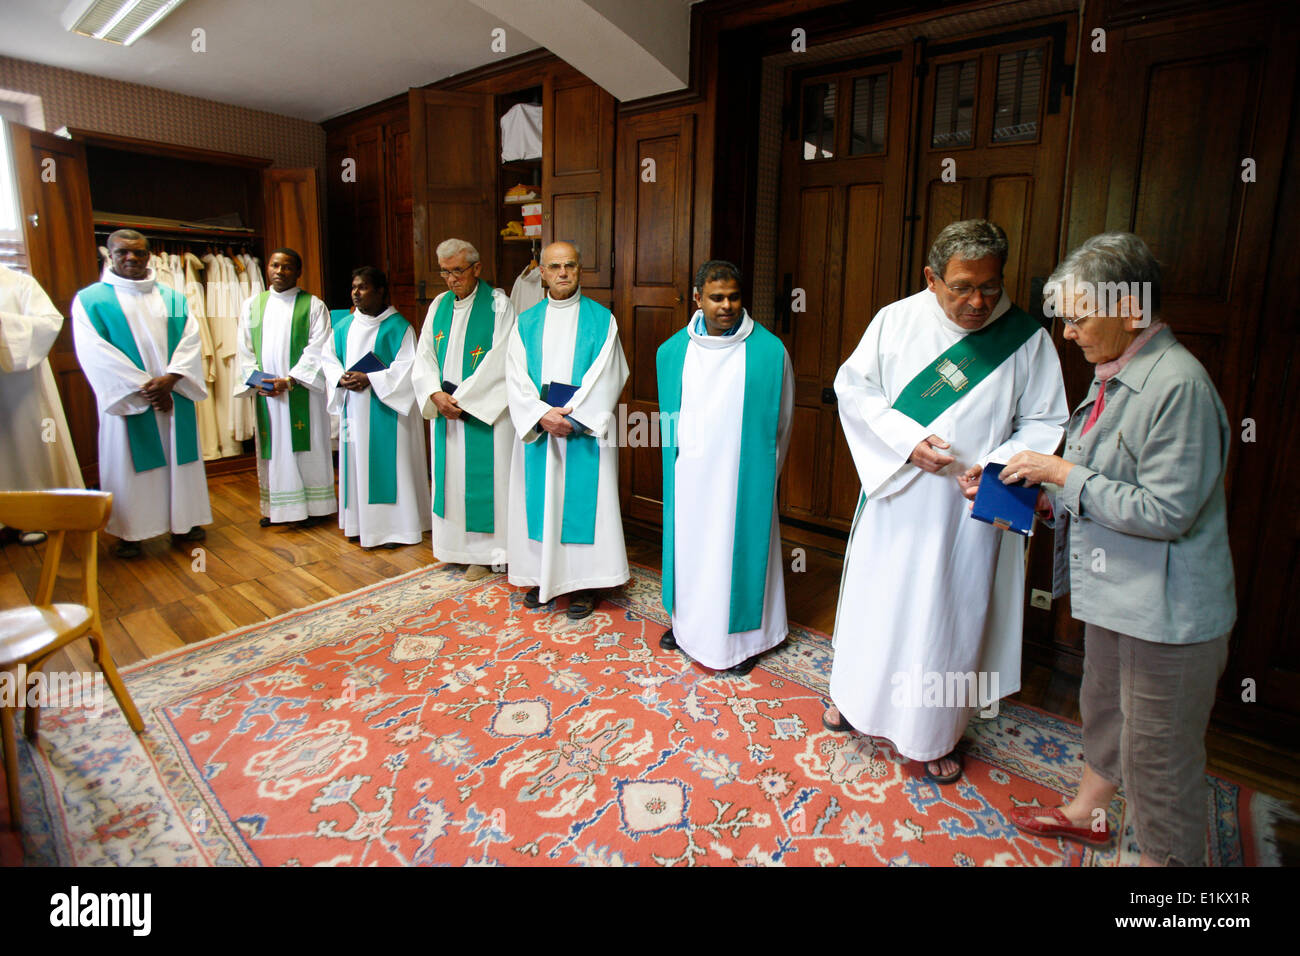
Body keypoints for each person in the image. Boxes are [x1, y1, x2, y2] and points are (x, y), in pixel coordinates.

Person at [1002, 233, 1235, 866]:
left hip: (1167, 615)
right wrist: (1033, 498)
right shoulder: (1113, 376)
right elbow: (1104, 484)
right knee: (1103, 711)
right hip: (1116, 595)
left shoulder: (1178, 386)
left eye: (1080, 316)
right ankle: (1089, 814)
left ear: (1131, 310)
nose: (1069, 331)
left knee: (1157, 758)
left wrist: (1058, 476)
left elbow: (1167, 511)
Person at [825, 219, 1068, 784]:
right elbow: (854, 390)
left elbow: (1046, 418)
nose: (979, 301)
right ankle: (857, 701)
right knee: (878, 604)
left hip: (969, 509)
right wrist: (906, 443)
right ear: (931, 278)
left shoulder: (1027, 337)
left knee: (948, 617)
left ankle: (935, 730)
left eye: (990, 285)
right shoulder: (894, 321)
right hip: (899, 498)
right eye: (961, 286)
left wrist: (1001, 465)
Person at [656, 260, 794, 674]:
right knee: (691, 550)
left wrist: (760, 476)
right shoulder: (671, 351)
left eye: (734, 296)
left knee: (737, 553)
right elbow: (667, 424)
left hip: (741, 479)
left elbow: (782, 423)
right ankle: (685, 627)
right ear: (698, 299)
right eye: (716, 297)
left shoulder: (769, 352)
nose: (727, 305)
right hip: (691, 475)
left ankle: (744, 641)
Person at [505, 240, 630, 619]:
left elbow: (609, 372)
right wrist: (541, 415)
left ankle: (584, 585)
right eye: (555, 267)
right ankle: (541, 577)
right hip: (541, 431)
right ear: (541, 272)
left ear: (579, 270)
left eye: (570, 266)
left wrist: (574, 417)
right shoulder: (525, 322)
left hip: (582, 432)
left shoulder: (601, 319)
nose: (563, 273)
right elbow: (514, 376)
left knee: (581, 506)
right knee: (541, 503)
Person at [71, 229, 212, 558]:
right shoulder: (90, 300)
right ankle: (131, 531)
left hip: (174, 394)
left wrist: (172, 379)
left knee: (181, 458)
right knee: (127, 464)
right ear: (110, 255)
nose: (131, 258)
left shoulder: (173, 298)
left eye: (138, 252)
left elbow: (191, 341)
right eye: (122, 253)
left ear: (149, 256)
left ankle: (186, 521)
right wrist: (147, 387)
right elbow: (95, 353)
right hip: (130, 400)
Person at [412, 239, 517, 579]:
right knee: (450, 480)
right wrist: (433, 394)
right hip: (445, 409)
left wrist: (465, 400)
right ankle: (453, 547)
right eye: (444, 272)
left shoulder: (499, 306)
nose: (451, 279)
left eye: (457, 271)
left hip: (481, 413)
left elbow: (502, 358)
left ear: (477, 268)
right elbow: (424, 354)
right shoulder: (439, 305)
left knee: (485, 481)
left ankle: (487, 554)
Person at [322, 266, 430, 549]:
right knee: (357, 464)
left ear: (381, 290)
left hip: (387, 411)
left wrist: (370, 378)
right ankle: (359, 524)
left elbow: (409, 369)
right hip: (353, 409)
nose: (356, 293)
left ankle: (395, 528)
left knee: (390, 465)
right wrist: (340, 377)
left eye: (363, 287)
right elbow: (328, 359)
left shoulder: (398, 327)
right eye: (354, 287)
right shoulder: (343, 326)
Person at [234, 247, 336, 527]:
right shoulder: (252, 306)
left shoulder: (313, 305)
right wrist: (258, 379)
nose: (280, 272)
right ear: (267, 268)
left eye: (287, 267)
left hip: (300, 391)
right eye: (275, 266)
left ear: (298, 272)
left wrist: (290, 380)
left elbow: (320, 348)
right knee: (274, 448)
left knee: (305, 447)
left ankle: (314, 508)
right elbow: (243, 347)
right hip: (267, 393)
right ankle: (276, 508)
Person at [0, 264, 84, 545]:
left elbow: (49, 321)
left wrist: (5, 327)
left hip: (20, 388)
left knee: (27, 446)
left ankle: (33, 516)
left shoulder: (20, 283)